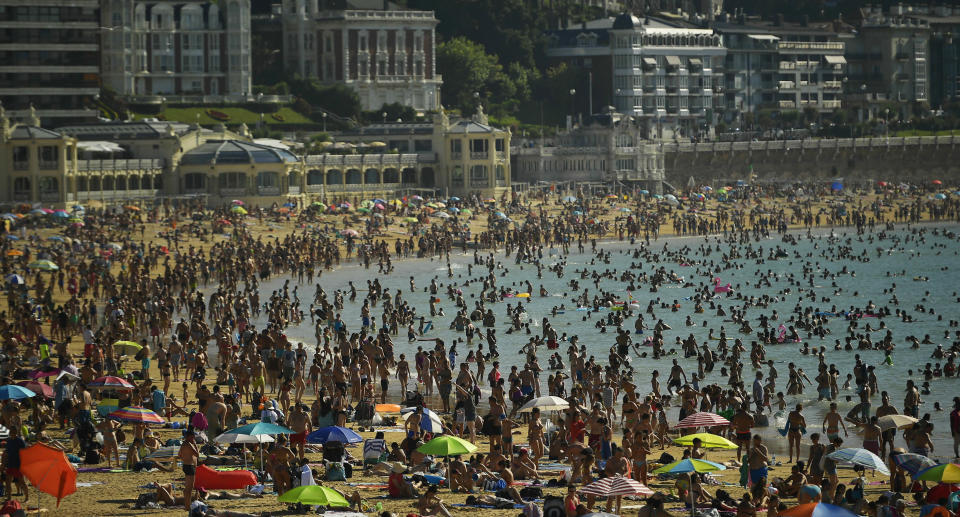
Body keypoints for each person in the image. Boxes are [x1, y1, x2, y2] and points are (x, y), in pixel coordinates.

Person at [3, 427, 28, 501]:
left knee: (22, 481)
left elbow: (24, 452)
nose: (11, 433)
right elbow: (6, 453)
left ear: (16, 432)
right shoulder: (9, 441)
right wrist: (4, 464)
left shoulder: (20, 441)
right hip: (10, 464)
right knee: (8, 481)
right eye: (11, 432)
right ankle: (9, 497)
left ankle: (27, 497)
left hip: (18, 464)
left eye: (13, 431)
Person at [179, 430, 201, 511]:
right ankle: (187, 506)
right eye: (192, 437)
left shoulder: (183, 444)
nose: (193, 438)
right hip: (190, 466)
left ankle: (186, 506)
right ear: (188, 437)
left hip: (186, 465)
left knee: (187, 488)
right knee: (189, 488)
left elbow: (179, 455)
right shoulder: (189, 444)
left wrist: (185, 459)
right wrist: (195, 445)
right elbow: (197, 454)